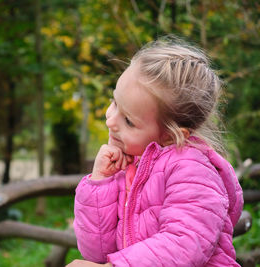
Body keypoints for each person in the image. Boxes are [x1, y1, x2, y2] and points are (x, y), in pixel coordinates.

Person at [67, 37, 243, 267]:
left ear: (169, 135)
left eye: (128, 120)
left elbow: (183, 244)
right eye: (115, 102)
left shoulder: (192, 169)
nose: (111, 121)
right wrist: (101, 183)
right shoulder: (129, 164)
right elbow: (97, 253)